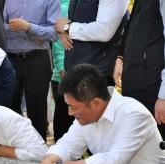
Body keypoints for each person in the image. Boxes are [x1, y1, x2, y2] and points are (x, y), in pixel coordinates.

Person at [31, 64, 165, 164]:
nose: (69, 113)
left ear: (96, 103)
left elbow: (112, 162)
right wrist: (47, 163)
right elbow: (67, 146)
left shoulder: (134, 114)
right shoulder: (85, 116)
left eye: (73, 107)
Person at [54, 0, 129, 139]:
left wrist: (69, 27)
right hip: (75, 71)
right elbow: (69, 22)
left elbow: (104, 31)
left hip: (97, 75)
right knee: (64, 133)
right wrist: (64, 30)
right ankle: (62, 161)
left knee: (95, 139)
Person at [4, 0, 60, 140]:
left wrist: (29, 28)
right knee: (9, 110)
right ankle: (12, 152)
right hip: (10, 59)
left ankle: (38, 153)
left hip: (37, 59)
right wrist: (32, 33)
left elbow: (54, 33)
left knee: (37, 112)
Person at [113, 0, 165, 139]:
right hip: (135, 84)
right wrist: (120, 56)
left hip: (154, 89)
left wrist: (163, 96)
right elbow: (132, 26)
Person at [51, 0, 70, 142]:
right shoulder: (64, 7)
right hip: (63, 78)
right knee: (63, 134)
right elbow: (58, 45)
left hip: (86, 77)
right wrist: (63, 71)